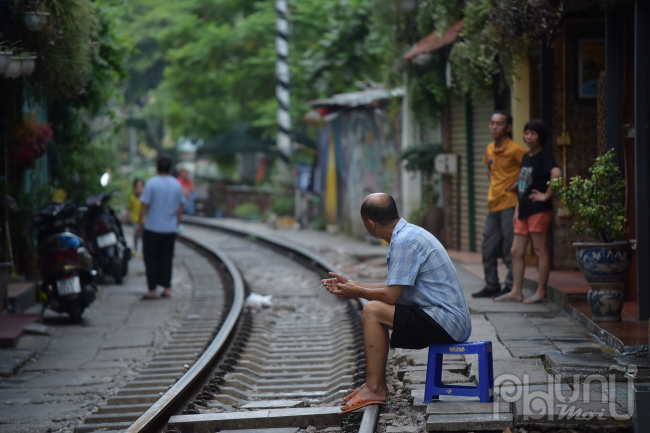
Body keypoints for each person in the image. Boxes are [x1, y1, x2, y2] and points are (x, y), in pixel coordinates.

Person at [322, 193, 472, 413]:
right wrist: (353, 284)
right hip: (446, 319)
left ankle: (375, 388)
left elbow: (390, 297)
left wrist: (357, 292)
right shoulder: (408, 234)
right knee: (374, 307)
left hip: (446, 322)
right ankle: (375, 384)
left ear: (370, 224)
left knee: (372, 311)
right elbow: (394, 289)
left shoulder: (403, 242)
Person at [495, 119, 561, 303]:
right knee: (516, 251)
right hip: (524, 210)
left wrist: (546, 196)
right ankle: (516, 291)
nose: (528, 137)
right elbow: (524, 185)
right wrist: (517, 208)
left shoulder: (544, 155)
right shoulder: (527, 156)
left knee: (540, 251)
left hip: (539, 210)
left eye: (533, 133)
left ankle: (541, 292)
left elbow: (557, 174)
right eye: (526, 133)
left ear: (541, 137)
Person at [472, 110, 528, 298]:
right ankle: (492, 285)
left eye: (499, 123)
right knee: (487, 247)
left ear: (508, 127)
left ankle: (512, 286)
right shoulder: (489, 148)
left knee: (508, 248)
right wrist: (496, 184)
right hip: (493, 205)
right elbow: (489, 168)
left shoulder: (516, 149)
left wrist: (515, 186)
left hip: (510, 205)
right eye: (492, 123)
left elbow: (530, 169)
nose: (494, 127)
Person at [136, 155, 185, 299]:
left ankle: (153, 289)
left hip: (152, 228)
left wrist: (139, 223)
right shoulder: (176, 184)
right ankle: (167, 288)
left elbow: (145, 205)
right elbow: (181, 205)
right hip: (169, 228)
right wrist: (177, 221)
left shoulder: (151, 183)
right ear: (170, 168)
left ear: (157, 166)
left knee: (151, 258)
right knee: (166, 258)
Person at [126, 178, 145, 257]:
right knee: (135, 235)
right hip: (135, 220)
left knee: (143, 237)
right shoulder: (132, 198)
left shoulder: (145, 198)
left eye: (140, 187)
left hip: (144, 220)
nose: (138, 189)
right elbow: (129, 209)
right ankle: (135, 250)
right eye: (137, 187)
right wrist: (125, 218)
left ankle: (143, 252)